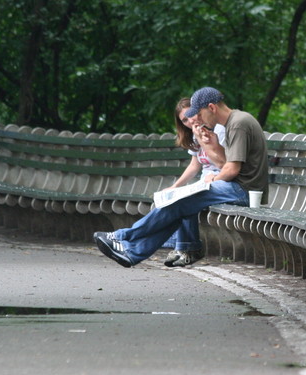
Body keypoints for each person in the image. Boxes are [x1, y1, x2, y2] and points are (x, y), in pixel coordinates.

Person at [93, 86, 269, 268]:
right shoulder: (234, 121)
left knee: (180, 201)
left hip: (243, 190)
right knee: (180, 203)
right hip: (236, 187)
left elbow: (231, 169)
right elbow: (227, 165)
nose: (197, 120)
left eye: (199, 114)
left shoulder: (238, 123)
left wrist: (212, 180)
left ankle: (122, 237)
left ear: (212, 107)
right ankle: (132, 252)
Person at [161, 97, 227, 266]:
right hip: (205, 183)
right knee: (175, 195)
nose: (190, 122)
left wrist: (203, 140)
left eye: (191, 116)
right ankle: (182, 247)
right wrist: (175, 186)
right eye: (184, 120)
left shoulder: (218, 130)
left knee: (187, 200)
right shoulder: (194, 135)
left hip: (221, 181)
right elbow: (194, 165)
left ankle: (188, 249)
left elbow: (224, 162)